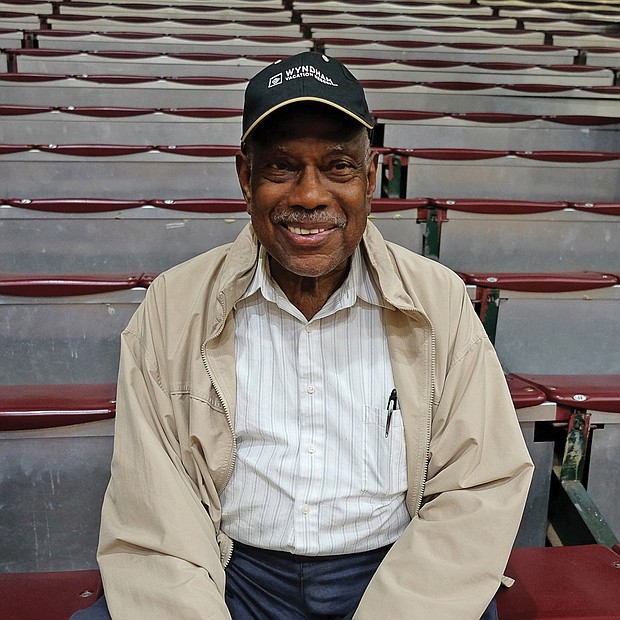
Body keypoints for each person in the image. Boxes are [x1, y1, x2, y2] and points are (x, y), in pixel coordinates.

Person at [76, 51, 533, 619]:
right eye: (282, 167)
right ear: (246, 177)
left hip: (396, 572)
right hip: (228, 575)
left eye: (338, 166)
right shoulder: (173, 308)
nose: (309, 196)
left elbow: (478, 485)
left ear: (371, 179)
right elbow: (156, 514)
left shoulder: (437, 303)